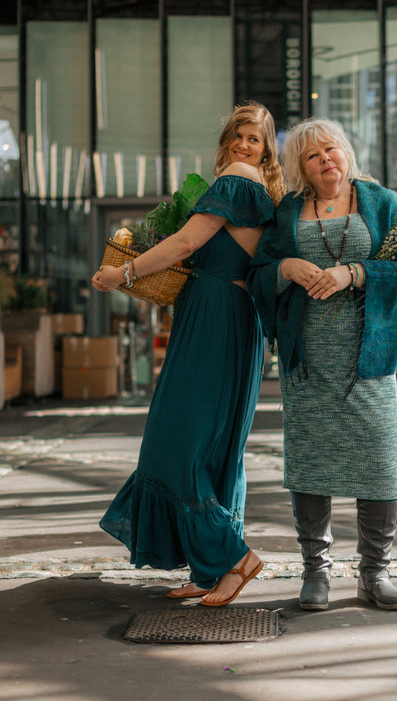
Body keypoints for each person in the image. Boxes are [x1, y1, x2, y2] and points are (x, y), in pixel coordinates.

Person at [91, 101, 286, 606]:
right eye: (239, 137)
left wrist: (122, 275)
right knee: (214, 449)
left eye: (256, 140)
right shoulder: (259, 192)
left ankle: (234, 558)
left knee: (174, 442)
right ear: (227, 139)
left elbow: (183, 244)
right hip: (229, 320)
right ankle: (210, 570)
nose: (245, 146)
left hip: (216, 318)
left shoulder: (237, 181)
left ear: (265, 152)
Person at [248, 118, 397, 612]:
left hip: (368, 360)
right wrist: (285, 267)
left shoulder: (380, 202)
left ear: (345, 152)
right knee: (311, 463)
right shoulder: (287, 212)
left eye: (331, 149)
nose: (325, 159)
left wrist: (355, 271)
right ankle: (316, 573)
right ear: (300, 167)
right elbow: (258, 269)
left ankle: (375, 573)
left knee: (378, 463)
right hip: (308, 362)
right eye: (311, 155)